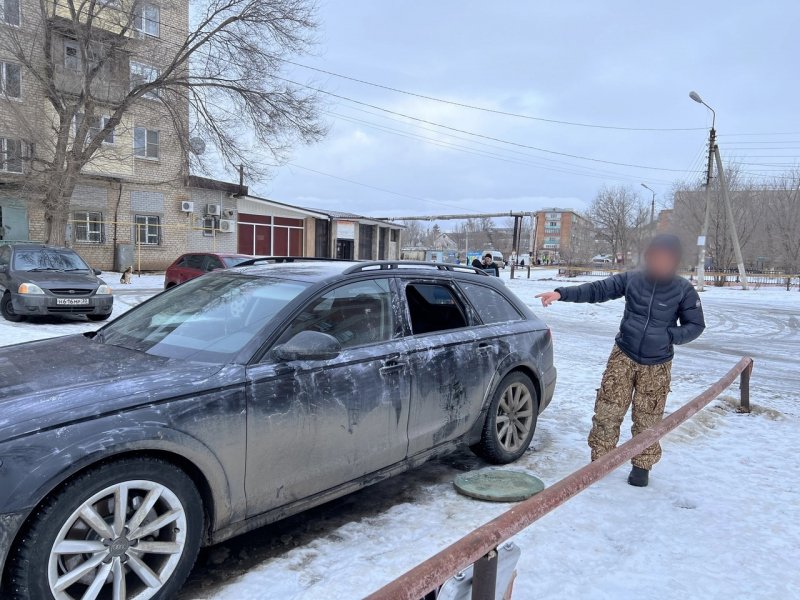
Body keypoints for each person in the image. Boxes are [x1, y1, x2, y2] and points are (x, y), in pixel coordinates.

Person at [535, 234, 705, 487]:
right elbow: (598, 290)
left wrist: (668, 336)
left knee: (648, 417)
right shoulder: (633, 279)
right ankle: (600, 461)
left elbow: (696, 325)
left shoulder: (683, 289)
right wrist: (561, 293)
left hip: (657, 364)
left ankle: (642, 466)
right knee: (608, 409)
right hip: (623, 355)